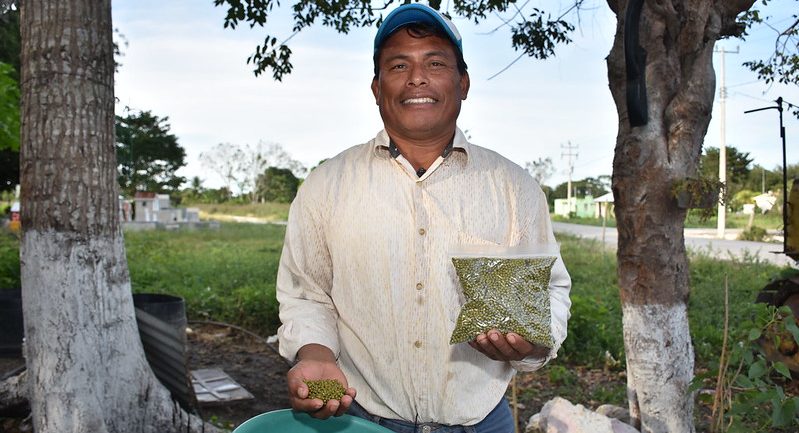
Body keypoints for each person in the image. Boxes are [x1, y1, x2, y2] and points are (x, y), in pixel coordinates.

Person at [276, 3, 571, 432]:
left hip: (481, 421)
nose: (417, 77)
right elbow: (307, 294)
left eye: (435, 62)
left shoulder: (512, 187)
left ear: (463, 83)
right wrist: (316, 355)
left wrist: (530, 338)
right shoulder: (326, 186)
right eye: (398, 65)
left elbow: (549, 291)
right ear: (377, 88)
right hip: (359, 421)